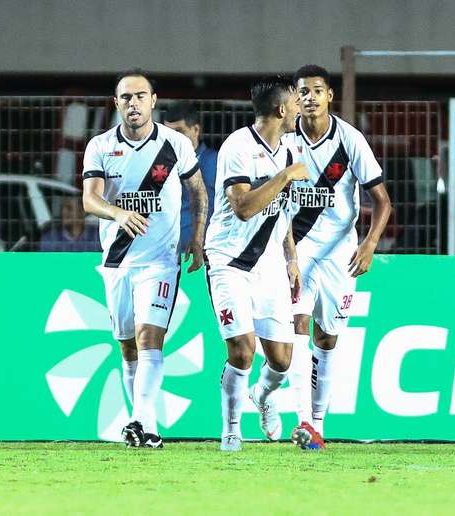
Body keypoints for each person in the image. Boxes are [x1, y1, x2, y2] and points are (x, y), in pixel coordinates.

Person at [82, 69, 208, 449]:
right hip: (118, 260)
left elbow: (199, 193)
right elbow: (89, 199)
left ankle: (144, 423)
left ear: (153, 101)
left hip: (160, 260)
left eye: (140, 96)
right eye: (125, 98)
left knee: (150, 336)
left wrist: (197, 238)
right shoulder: (100, 146)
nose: (133, 103)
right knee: (126, 345)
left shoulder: (175, 145)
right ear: (115, 104)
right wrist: (118, 214)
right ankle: (139, 422)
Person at [286, 65, 392, 449]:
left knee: (326, 337)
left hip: (339, 254)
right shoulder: (283, 140)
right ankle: (303, 421)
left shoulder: (349, 140)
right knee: (296, 323)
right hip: (295, 250)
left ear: (329, 95)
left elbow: (382, 201)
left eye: (317, 90)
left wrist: (369, 244)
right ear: (294, 98)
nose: (309, 98)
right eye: (302, 92)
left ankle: (318, 421)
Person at [205, 75, 308, 452]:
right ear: (281, 109)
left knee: (280, 362)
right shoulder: (238, 146)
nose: (300, 107)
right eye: (296, 102)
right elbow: (245, 207)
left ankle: (262, 397)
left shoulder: (290, 150)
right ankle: (231, 431)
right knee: (243, 350)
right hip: (228, 261)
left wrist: (291, 256)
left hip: (268, 267)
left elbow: (281, 214)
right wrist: (283, 177)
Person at [163, 101, 218, 249]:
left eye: (179, 132)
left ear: (196, 129)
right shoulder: (158, 166)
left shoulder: (216, 162)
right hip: (166, 254)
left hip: (205, 252)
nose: (173, 139)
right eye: (168, 133)